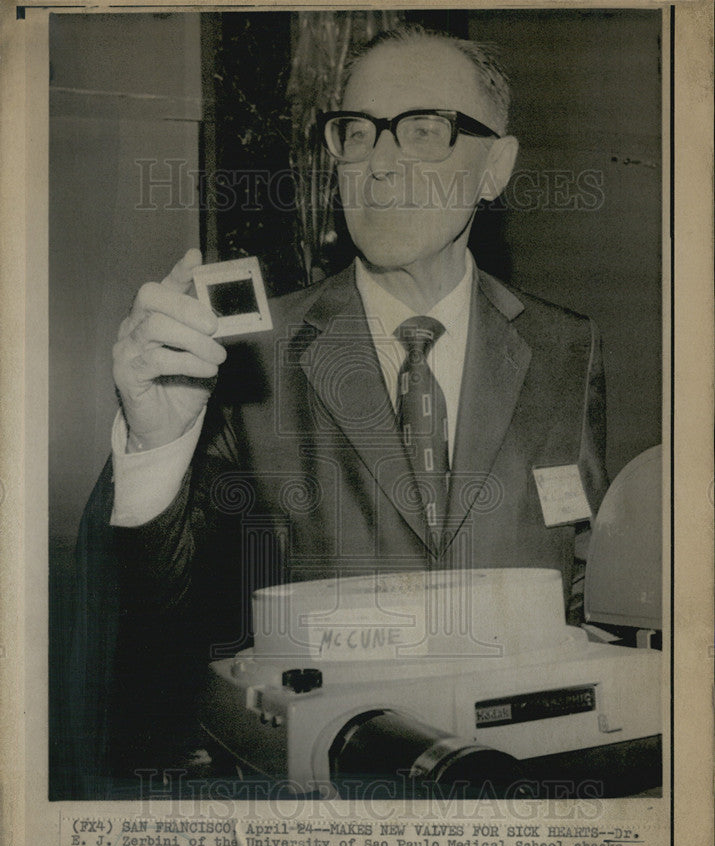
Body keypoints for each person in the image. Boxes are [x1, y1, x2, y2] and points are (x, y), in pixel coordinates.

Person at [73, 26, 608, 788]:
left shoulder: (564, 347)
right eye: (357, 133)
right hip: (324, 800)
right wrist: (157, 443)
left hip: (517, 789)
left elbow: (575, 575)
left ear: (494, 167)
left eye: (423, 131)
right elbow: (151, 623)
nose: (381, 164)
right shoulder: (248, 354)